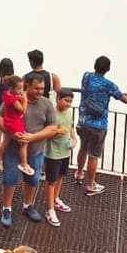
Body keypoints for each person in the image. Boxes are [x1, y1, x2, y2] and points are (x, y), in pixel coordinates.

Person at [0, 74, 58, 227]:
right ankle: (7, 208)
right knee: (9, 179)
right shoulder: (15, 99)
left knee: (32, 180)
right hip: (12, 150)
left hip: (35, 151)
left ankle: (28, 205)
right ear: (27, 86)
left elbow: (53, 128)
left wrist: (32, 137)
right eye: (37, 88)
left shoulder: (46, 104)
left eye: (42, 89)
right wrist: (11, 133)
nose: (40, 92)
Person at [74, 56, 127, 196]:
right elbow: (125, 99)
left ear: (94, 65)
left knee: (83, 148)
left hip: (82, 121)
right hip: (98, 125)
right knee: (93, 155)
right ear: (108, 69)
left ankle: (79, 174)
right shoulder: (108, 85)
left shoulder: (86, 76)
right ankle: (90, 185)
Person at [43, 89, 77, 227]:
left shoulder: (68, 112)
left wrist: (74, 139)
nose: (69, 104)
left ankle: (56, 199)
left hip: (65, 151)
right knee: (51, 181)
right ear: (58, 99)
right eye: (66, 100)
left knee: (61, 177)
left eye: (70, 101)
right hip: (53, 153)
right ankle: (50, 209)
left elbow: (71, 127)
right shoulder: (52, 114)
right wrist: (57, 131)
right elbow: (45, 132)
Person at [0, 74, 35, 176]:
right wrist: (25, 100)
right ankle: (23, 164)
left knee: (6, 140)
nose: (21, 91)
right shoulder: (13, 100)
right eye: (19, 89)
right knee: (24, 142)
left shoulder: (6, 94)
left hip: (8, 121)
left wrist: (18, 96)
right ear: (11, 88)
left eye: (22, 88)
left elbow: (12, 98)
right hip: (15, 123)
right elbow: (22, 110)